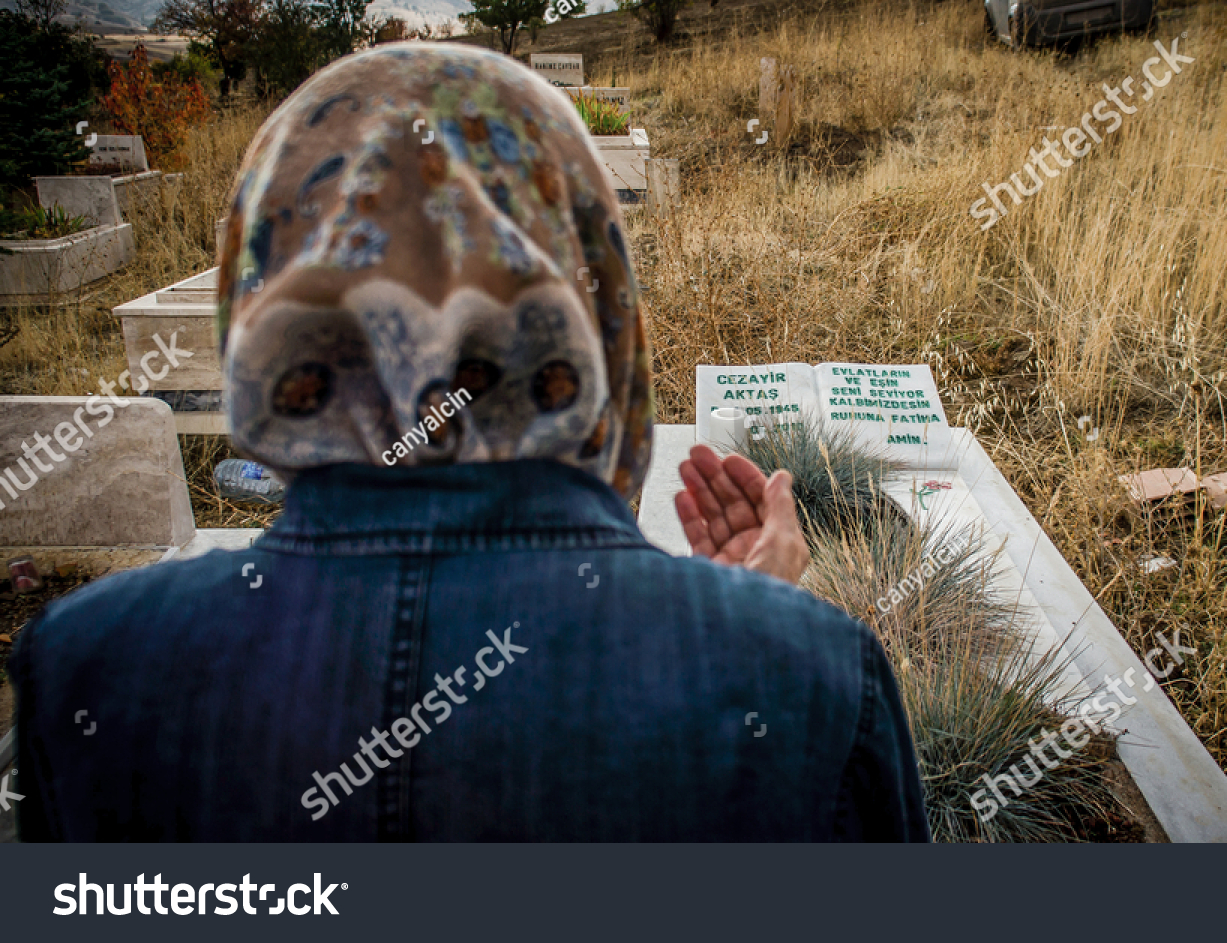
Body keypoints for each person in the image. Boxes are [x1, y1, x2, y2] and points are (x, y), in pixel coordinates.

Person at [11, 43, 928, 841]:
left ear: (259, 289)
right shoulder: (817, 678)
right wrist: (740, 638)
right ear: (593, 287)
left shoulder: (84, 667)